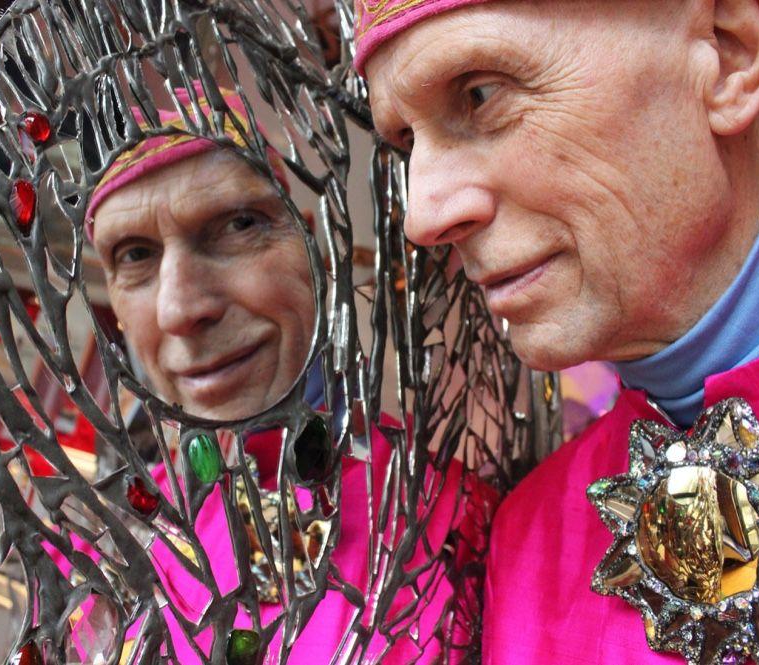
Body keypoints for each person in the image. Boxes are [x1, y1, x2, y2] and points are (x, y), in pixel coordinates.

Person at [354, 0, 759, 662]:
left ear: (728, 53)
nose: (422, 216)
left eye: (480, 94)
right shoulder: (532, 538)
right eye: (406, 141)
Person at [82, 85, 496, 663]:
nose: (179, 309)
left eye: (238, 225)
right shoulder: (99, 557)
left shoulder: (451, 521)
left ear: (311, 251)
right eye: (134, 255)